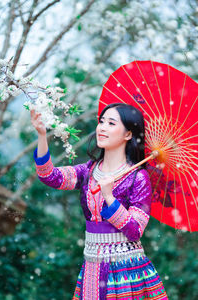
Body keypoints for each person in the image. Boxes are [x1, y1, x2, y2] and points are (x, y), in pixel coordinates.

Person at [31, 102, 168, 300]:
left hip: (126, 269)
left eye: (111, 123)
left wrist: (109, 197)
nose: (102, 127)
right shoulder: (88, 171)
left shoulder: (138, 178)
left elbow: (135, 231)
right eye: (101, 121)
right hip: (92, 265)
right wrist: (42, 136)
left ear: (128, 134)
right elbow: (50, 176)